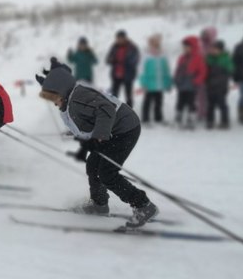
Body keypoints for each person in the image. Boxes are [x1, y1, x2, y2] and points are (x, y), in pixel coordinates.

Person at [36, 60, 158, 228]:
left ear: (61, 91)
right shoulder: (71, 99)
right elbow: (87, 122)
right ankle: (99, 205)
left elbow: (106, 109)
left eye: (54, 98)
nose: (55, 103)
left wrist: (99, 136)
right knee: (93, 166)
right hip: (112, 132)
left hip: (124, 130)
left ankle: (143, 205)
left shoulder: (78, 98)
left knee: (107, 173)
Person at [173, 36, 207, 129]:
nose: (185, 49)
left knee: (191, 102)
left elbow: (202, 71)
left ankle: (191, 119)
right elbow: (178, 69)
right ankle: (178, 117)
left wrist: (196, 80)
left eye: (187, 47)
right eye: (184, 47)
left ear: (193, 47)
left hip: (192, 84)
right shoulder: (182, 57)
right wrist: (176, 79)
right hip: (182, 83)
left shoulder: (198, 58)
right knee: (180, 101)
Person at [139, 34, 172, 125]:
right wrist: (143, 82)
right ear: (150, 43)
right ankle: (145, 119)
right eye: (153, 42)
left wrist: (168, 82)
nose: (155, 44)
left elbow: (166, 69)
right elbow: (141, 70)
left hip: (160, 83)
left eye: (157, 42)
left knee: (159, 101)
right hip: (149, 84)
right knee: (147, 101)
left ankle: (158, 118)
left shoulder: (163, 54)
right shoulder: (146, 55)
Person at [106, 30, 140, 107]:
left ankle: (130, 111)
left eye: (121, 38)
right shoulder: (114, 47)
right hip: (116, 75)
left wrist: (125, 61)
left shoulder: (132, 47)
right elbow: (108, 59)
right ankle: (113, 110)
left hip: (127, 74)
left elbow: (135, 59)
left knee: (128, 95)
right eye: (118, 38)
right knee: (114, 95)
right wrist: (112, 60)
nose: (119, 40)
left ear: (125, 38)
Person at [205, 41, 234, 129]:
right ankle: (210, 121)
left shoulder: (225, 58)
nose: (214, 51)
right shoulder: (208, 58)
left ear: (221, 50)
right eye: (212, 49)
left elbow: (231, 69)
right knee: (210, 105)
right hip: (210, 85)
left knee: (222, 104)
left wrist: (225, 69)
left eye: (216, 49)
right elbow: (205, 70)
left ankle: (224, 121)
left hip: (221, 86)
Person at [197, 27, 218, 121]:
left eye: (207, 34)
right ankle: (200, 112)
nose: (205, 36)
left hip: (212, 75)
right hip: (201, 74)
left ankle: (208, 113)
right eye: (203, 34)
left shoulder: (215, 46)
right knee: (200, 95)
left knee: (210, 96)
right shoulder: (200, 45)